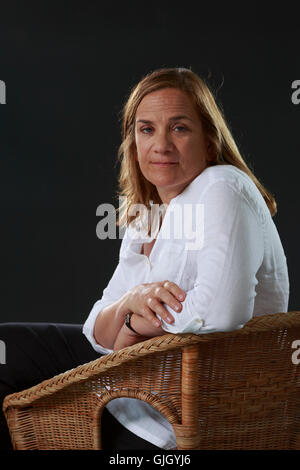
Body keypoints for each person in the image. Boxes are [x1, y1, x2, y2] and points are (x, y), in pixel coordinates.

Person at [0, 67, 289, 451]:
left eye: (180, 128)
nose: (161, 145)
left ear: (208, 140)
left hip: (182, 407)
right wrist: (126, 308)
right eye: (147, 129)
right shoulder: (148, 211)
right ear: (133, 141)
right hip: (130, 376)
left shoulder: (223, 187)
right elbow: (97, 328)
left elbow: (222, 312)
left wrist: (132, 327)